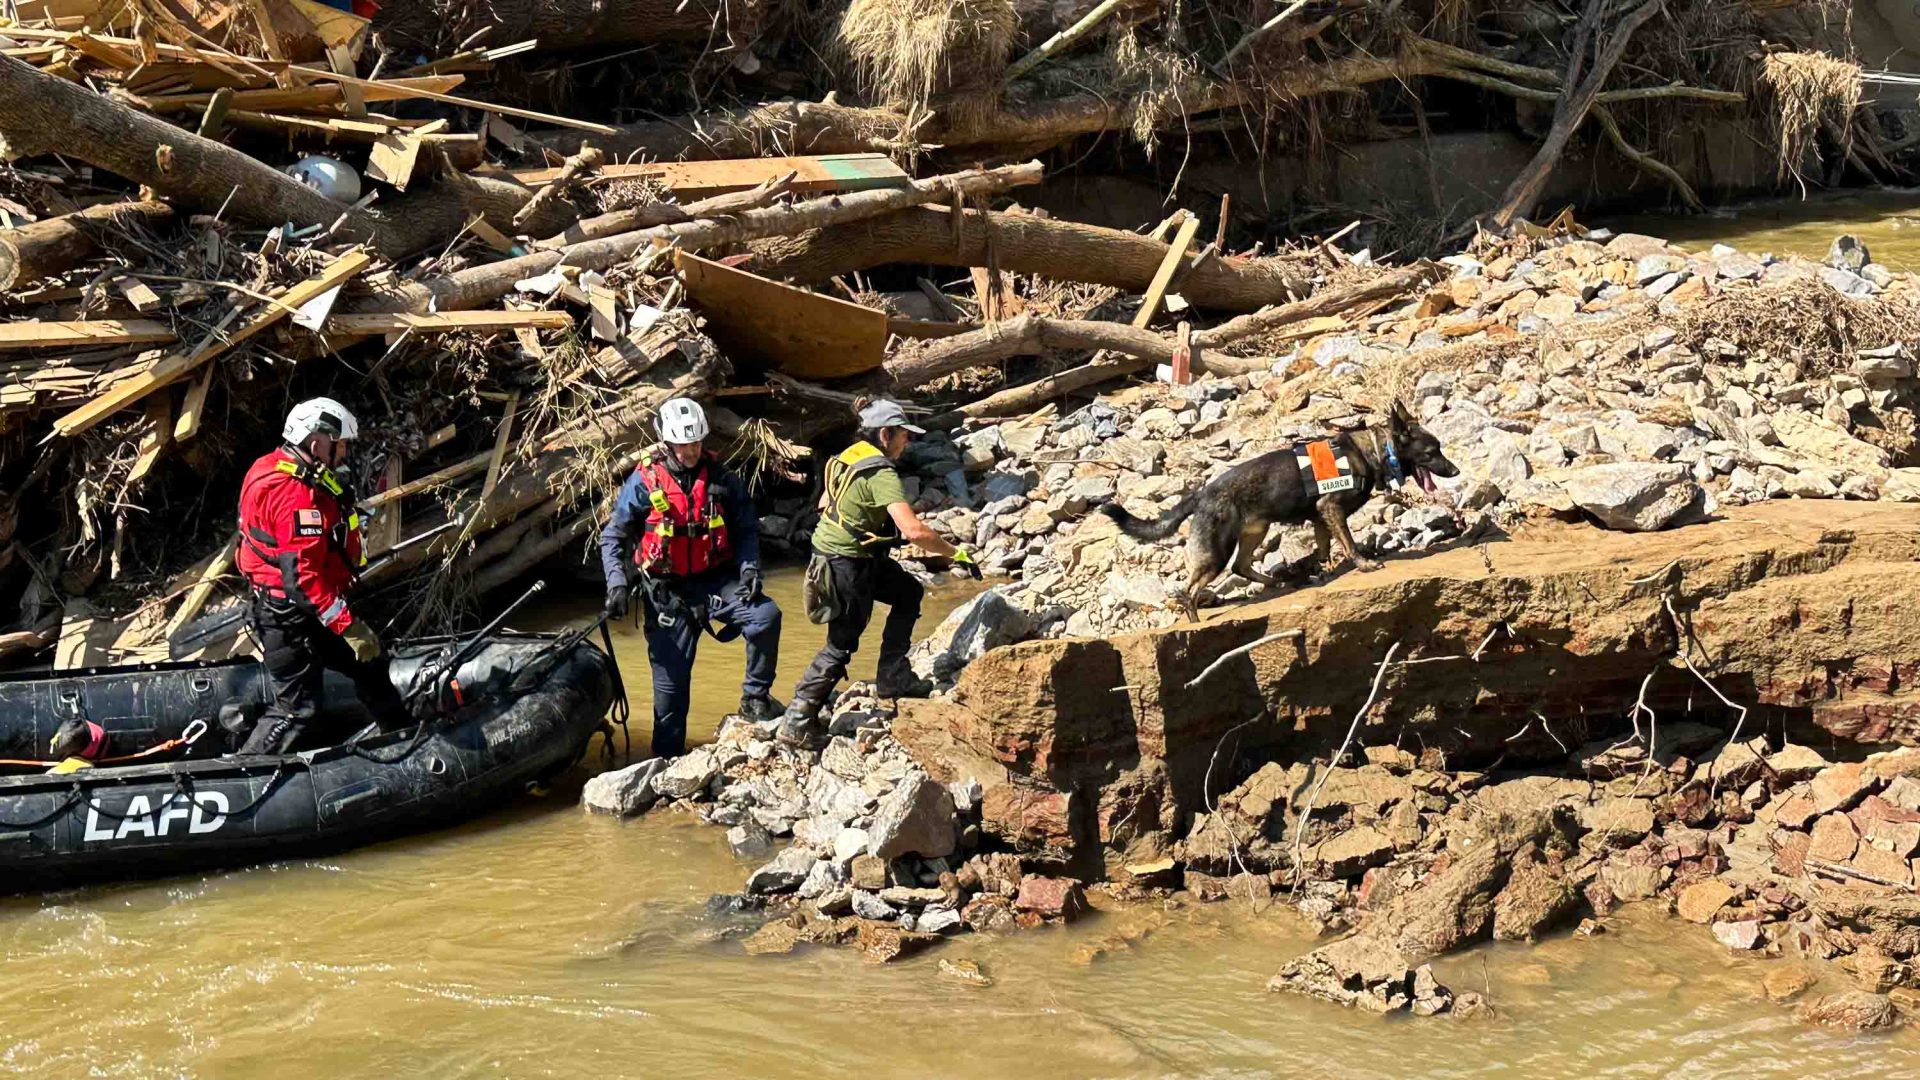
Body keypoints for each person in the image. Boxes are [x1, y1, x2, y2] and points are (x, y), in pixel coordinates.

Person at [778, 399, 981, 747]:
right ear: (885, 434)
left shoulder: (848, 455)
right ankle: (796, 722)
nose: (908, 442)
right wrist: (954, 553)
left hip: (846, 553)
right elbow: (914, 531)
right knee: (841, 644)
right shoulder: (882, 473)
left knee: (908, 592)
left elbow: (826, 503)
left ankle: (893, 676)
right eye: (903, 435)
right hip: (846, 563)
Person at [600, 397, 782, 758]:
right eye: (683, 444)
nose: (691, 450)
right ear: (667, 443)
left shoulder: (723, 479)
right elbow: (613, 537)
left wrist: (748, 568)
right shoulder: (643, 483)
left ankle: (754, 697)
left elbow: (746, 529)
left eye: (696, 443)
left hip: (717, 582)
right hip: (667, 595)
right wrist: (617, 583)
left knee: (765, 616)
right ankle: (666, 767)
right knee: (669, 703)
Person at [235, 397, 408, 754]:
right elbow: (302, 580)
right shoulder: (295, 496)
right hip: (290, 617)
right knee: (297, 709)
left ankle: (402, 736)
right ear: (317, 443)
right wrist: (348, 626)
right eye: (340, 444)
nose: (344, 453)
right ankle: (243, 770)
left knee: (372, 665)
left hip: (310, 607)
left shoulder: (272, 465)